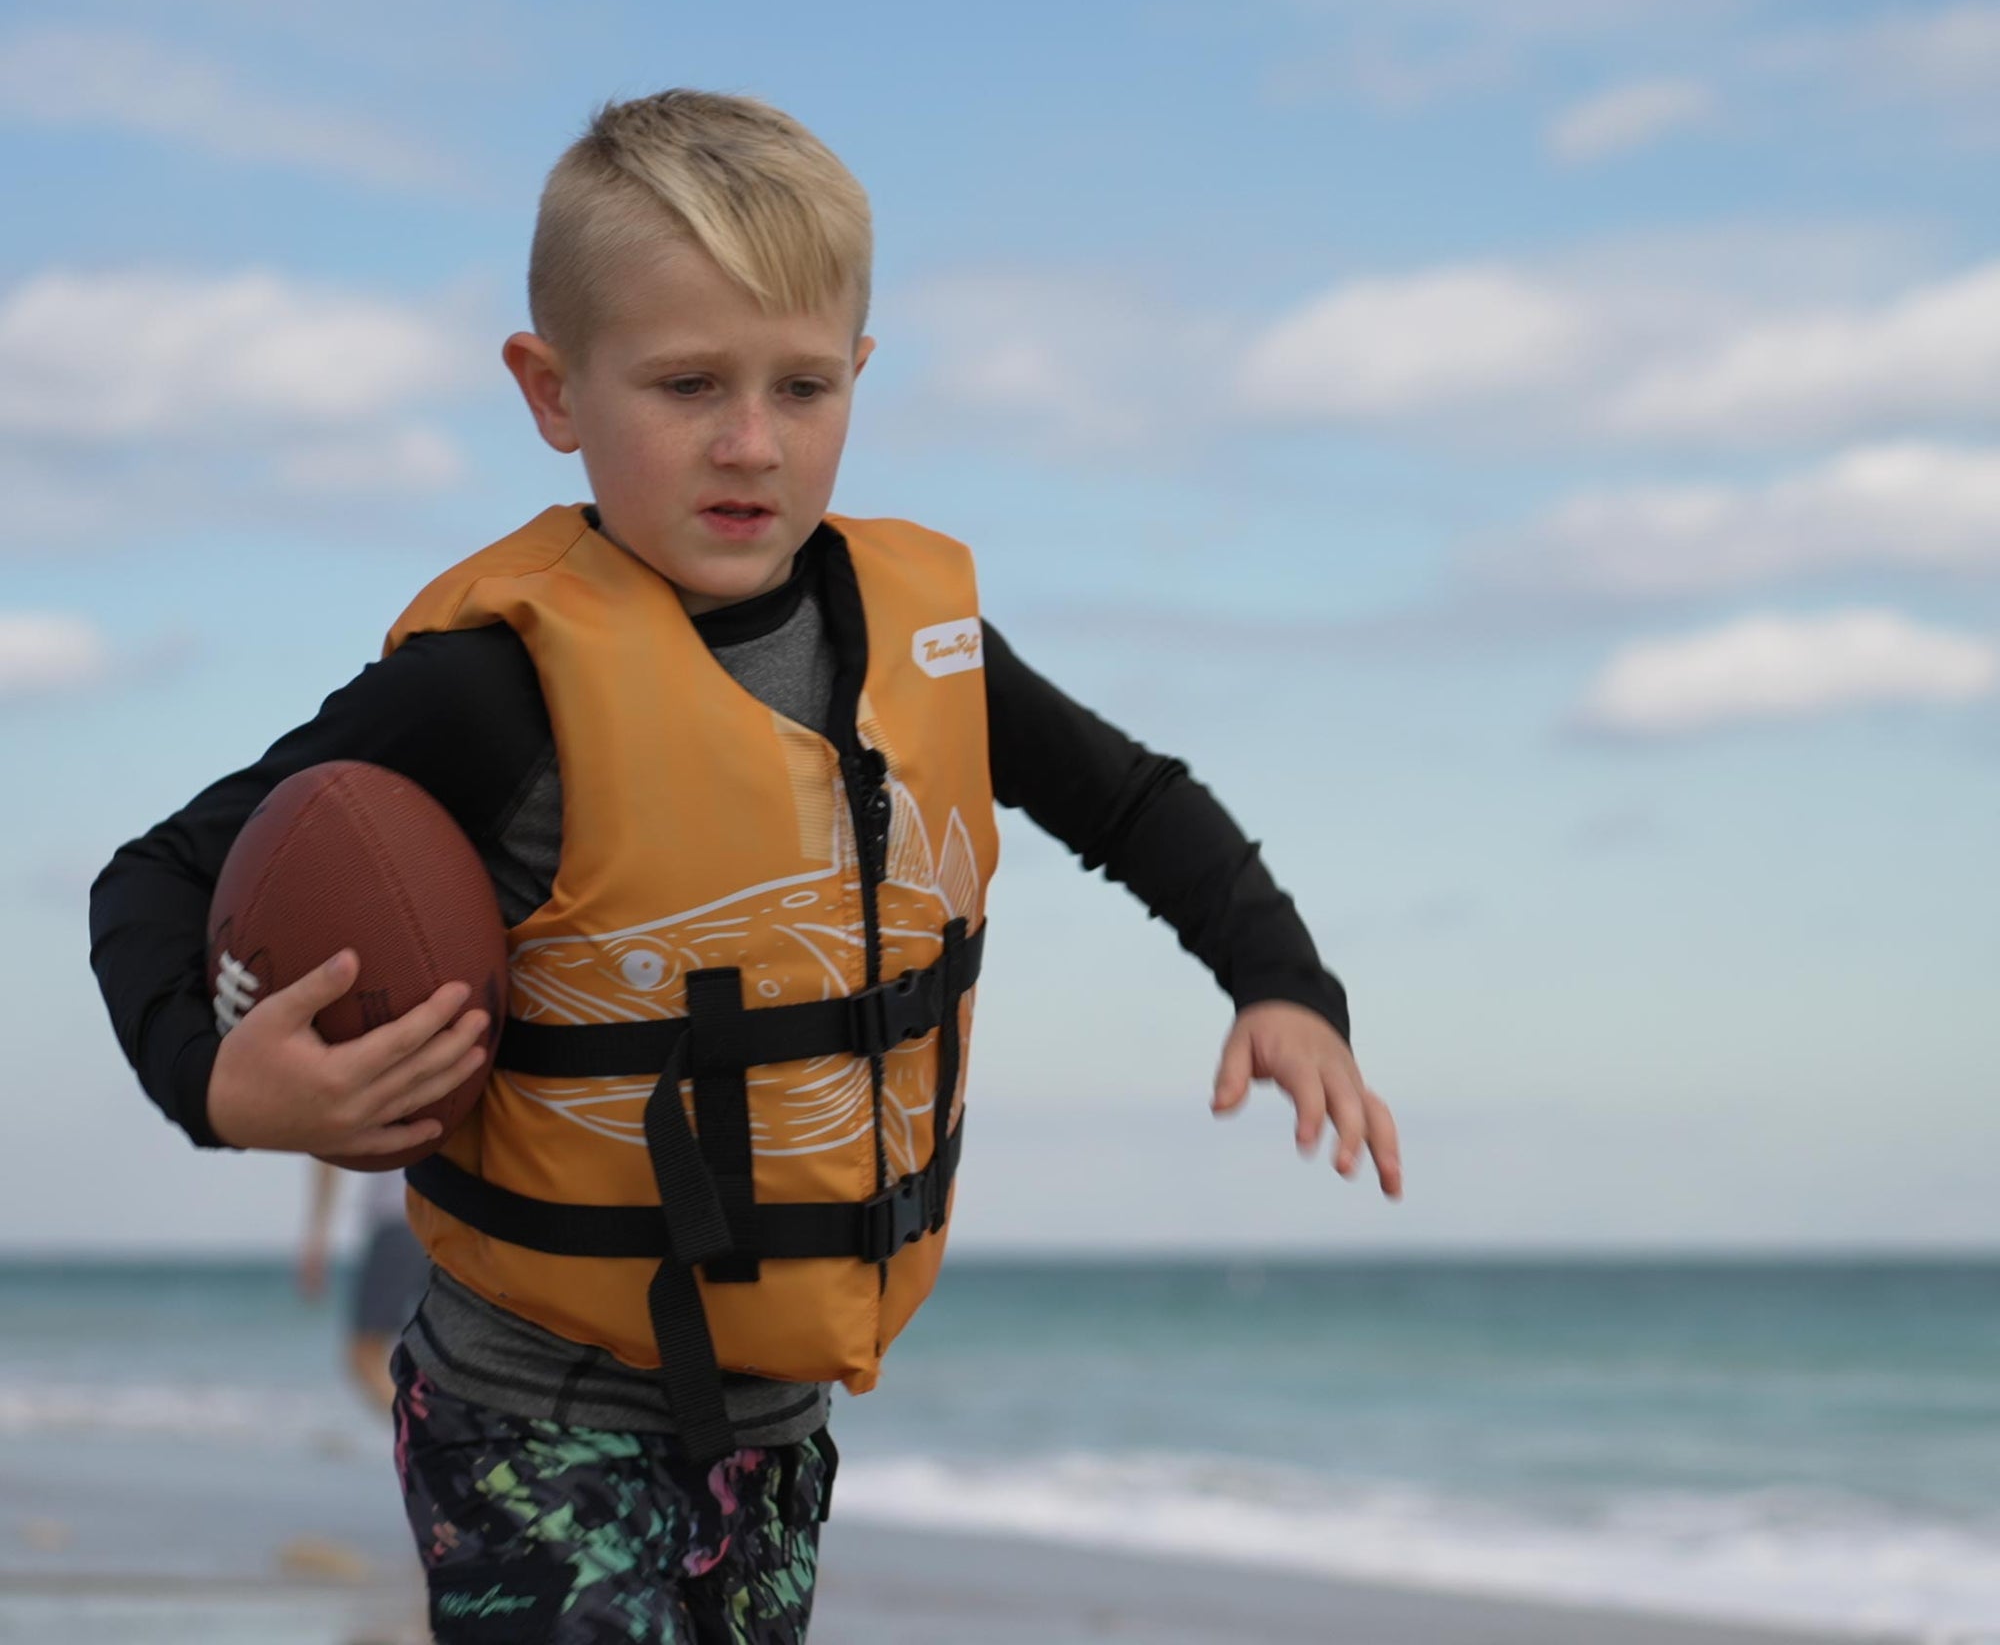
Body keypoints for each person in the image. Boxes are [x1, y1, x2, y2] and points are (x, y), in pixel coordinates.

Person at [90, 90, 1402, 1644]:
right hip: (528, 1408)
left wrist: (1281, 983)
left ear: (859, 372)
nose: (749, 442)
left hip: (775, 1419)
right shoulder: (487, 689)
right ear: (551, 388)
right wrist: (219, 1085)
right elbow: (156, 876)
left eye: (801, 384)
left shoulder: (921, 643)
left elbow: (1133, 800)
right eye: (688, 383)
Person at [297, 1164, 428, 1413]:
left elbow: (328, 1147)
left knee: (365, 1356)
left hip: (402, 1216)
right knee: (446, 1355)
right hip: (457, 1222)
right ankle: (447, 1441)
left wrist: (317, 1235)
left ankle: (436, 1441)